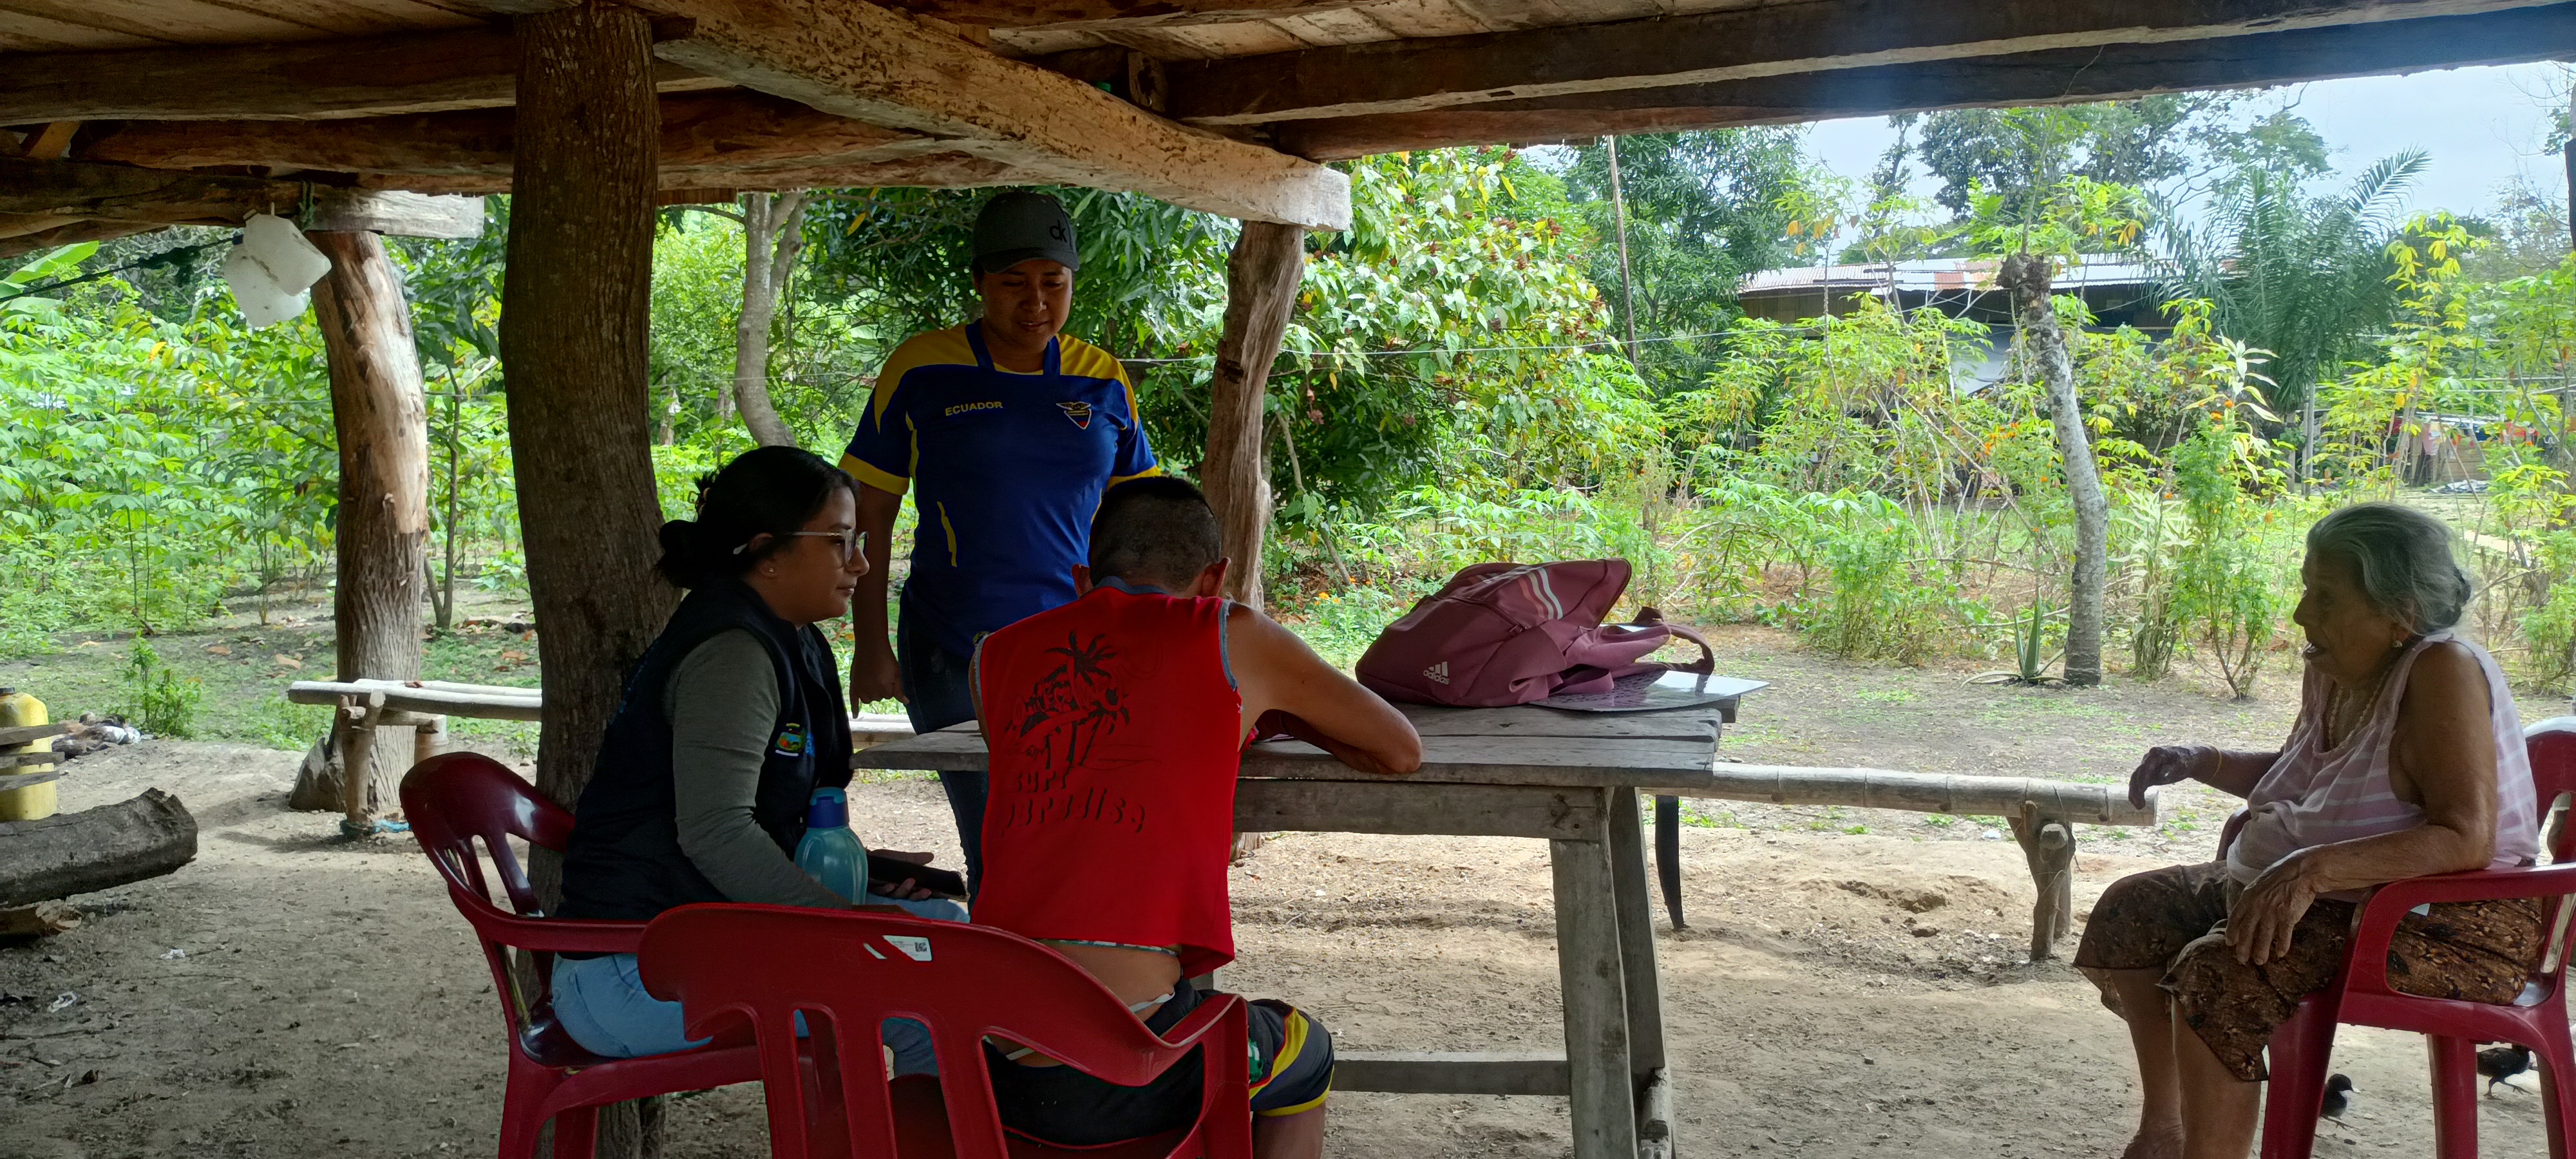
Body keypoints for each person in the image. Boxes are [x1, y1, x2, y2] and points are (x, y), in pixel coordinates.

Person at [969, 477, 1423, 1158]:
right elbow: (1399, 749)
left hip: (987, 1060)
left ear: (1082, 579)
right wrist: (1269, 711)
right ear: (1215, 580)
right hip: (1134, 1061)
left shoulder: (993, 657)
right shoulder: (1229, 635)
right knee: (1306, 1051)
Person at [2078, 502, 2543, 1159]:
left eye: (2325, 598)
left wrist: (2310, 869)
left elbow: (2465, 836)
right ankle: (2165, 1133)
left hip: (2442, 922)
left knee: (2219, 974)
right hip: (2329, 898)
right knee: (2134, 910)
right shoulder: (2334, 665)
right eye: (2306, 589)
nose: (2300, 614)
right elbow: (2313, 777)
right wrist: (2204, 761)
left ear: (2401, 613)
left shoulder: (2443, 670)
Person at [554, 446, 967, 1066]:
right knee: (926, 998)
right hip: (633, 973)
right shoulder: (733, 653)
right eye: (839, 541)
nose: (861, 561)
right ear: (767, 551)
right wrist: (847, 922)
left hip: (696, 937)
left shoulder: (789, 636)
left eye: (857, 541)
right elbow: (716, 833)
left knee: (951, 935)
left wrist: (860, 872)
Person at [840, 191, 1160, 892]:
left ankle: (1055, 958)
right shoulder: (921, 368)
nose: (1035, 302)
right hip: (952, 644)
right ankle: (999, 959)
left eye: (1053, 282)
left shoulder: (1103, 378)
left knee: (1071, 829)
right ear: (980, 282)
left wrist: (1149, 636)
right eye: (1014, 282)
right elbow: (871, 513)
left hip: (1076, 651)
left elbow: (1140, 520)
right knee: (994, 832)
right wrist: (870, 645)